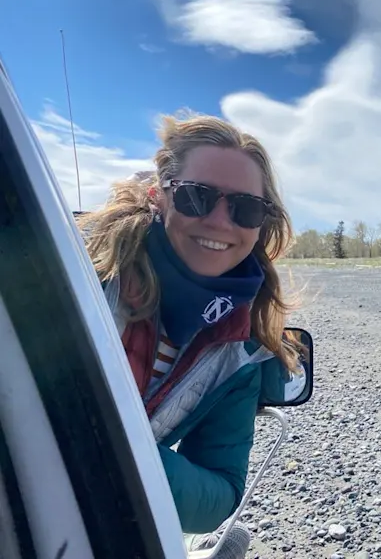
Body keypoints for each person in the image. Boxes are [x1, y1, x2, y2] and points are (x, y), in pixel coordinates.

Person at [75, 111, 303, 558]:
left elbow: (220, 489)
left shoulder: (243, 348)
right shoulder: (81, 274)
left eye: (245, 207)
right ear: (157, 195)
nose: (221, 222)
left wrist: (122, 454)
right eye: (197, 197)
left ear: (261, 223)